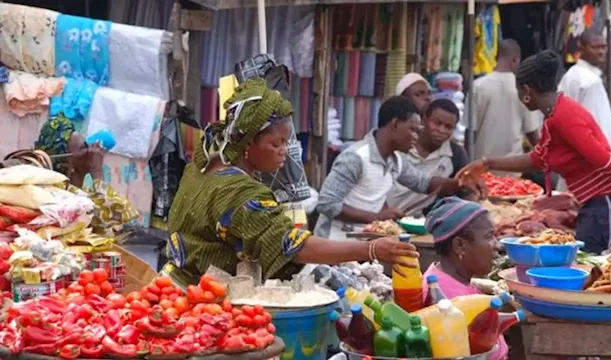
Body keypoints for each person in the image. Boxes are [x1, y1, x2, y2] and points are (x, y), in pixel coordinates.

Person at [166, 79, 418, 282]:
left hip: (171, 285)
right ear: (247, 142)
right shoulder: (240, 193)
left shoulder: (202, 164)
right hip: (201, 301)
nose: (283, 151)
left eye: (286, 142)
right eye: (275, 143)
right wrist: (371, 249)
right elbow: (293, 246)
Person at [457, 50, 611, 254]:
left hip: (606, 202)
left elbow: (601, 157)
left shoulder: (563, 117)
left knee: (590, 262)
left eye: (519, 92)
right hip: (598, 202)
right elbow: (539, 159)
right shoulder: (556, 114)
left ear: (527, 91)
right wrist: (487, 164)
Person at [315, 96, 483, 240]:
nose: (416, 137)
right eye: (412, 130)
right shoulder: (356, 157)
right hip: (333, 243)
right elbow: (327, 204)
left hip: (362, 244)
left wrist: (461, 182)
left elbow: (425, 183)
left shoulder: (395, 160)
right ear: (394, 125)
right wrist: (377, 218)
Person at [1, 114, 139, 235]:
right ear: (64, 157)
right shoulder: (34, 176)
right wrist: (97, 171)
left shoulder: (63, 181)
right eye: (83, 147)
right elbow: (108, 216)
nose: (90, 153)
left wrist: (82, 172)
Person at [422, 197, 506, 360]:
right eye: (489, 237)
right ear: (460, 246)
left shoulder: (456, 279)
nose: (498, 245)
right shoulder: (444, 302)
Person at [467, 39, 540, 177]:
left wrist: (467, 163)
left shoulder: (478, 86)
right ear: (515, 59)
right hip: (512, 169)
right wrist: (543, 157)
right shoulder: (524, 89)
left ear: (496, 57)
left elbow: (470, 132)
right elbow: (532, 132)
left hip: (481, 167)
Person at [386, 99, 472, 212]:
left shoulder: (456, 154)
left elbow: (464, 191)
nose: (441, 130)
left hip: (421, 220)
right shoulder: (401, 144)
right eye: (437, 123)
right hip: (383, 216)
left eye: (448, 127)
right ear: (424, 120)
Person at [558, 30, 611, 153]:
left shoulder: (573, 75)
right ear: (581, 47)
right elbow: (598, 123)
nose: (601, 52)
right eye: (595, 47)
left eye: (603, 47)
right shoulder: (589, 81)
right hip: (594, 153)